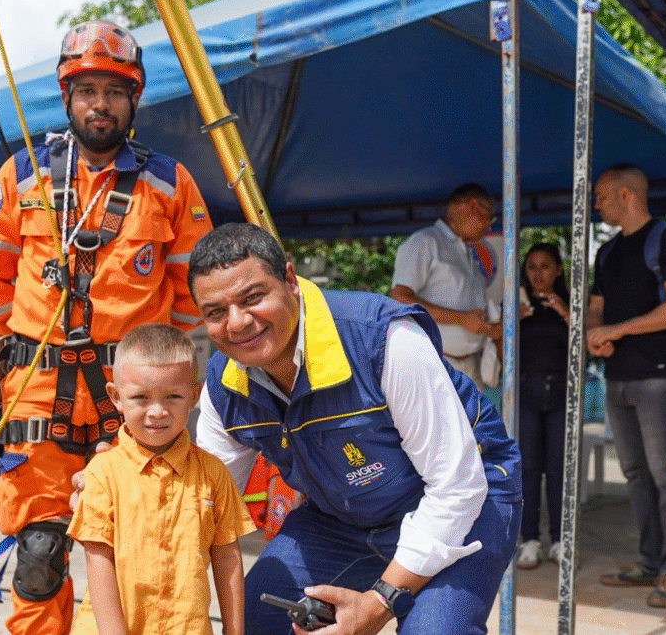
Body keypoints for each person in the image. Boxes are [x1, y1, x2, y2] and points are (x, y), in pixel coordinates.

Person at [0, 19, 212, 635]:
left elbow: (193, 294)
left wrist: (147, 360)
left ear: (134, 100)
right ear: (67, 97)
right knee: (39, 554)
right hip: (39, 396)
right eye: (87, 91)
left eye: (114, 92)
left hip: (135, 399)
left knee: (142, 549)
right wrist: (35, 345)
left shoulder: (169, 183)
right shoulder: (23, 175)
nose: (101, 104)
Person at [189, 223, 521, 635]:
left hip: (465, 497)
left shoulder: (382, 339)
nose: (237, 323)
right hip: (339, 517)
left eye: (252, 297)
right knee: (255, 620)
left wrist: (379, 601)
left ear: (290, 280)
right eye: (215, 312)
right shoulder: (223, 385)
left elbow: (456, 486)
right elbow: (208, 504)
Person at [67, 323, 255, 635]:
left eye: (172, 396)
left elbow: (227, 556)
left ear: (194, 395)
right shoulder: (102, 473)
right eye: (141, 397)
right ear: (116, 397)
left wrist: (234, 631)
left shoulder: (213, 474)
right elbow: (98, 561)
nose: (157, 411)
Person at [587, 163, 666, 608]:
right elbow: (597, 306)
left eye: (600, 196)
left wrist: (617, 330)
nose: (596, 205)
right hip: (618, 378)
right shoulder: (607, 252)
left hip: (660, 376)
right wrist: (596, 333)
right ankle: (650, 561)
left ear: (625, 194)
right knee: (635, 475)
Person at [390, 183, 502, 391]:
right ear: (472, 205)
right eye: (488, 217)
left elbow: (467, 311)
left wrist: (488, 326)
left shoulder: (466, 252)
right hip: (435, 364)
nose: (488, 226)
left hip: (470, 366)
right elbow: (399, 298)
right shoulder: (425, 242)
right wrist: (461, 319)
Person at [515, 242, 570, 570]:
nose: (538, 274)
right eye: (532, 267)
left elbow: (589, 343)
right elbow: (500, 349)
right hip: (527, 393)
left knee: (560, 469)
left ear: (558, 269)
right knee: (528, 469)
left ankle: (561, 541)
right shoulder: (517, 304)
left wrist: (566, 312)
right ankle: (530, 540)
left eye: (545, 266)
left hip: (562, 394)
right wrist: (512, 320)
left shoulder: (570, 304)